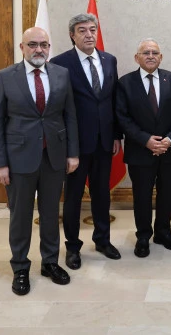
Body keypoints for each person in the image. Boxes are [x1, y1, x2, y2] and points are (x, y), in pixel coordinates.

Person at [0, 27, 79, 296]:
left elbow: (70, 116)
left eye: (44, 44)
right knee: (21, 215)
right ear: (22, 47)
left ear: (49, 47)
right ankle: (20, 267)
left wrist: (72, 153)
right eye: (33, 44)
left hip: (53, 157)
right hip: (18, 160)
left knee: (51, 214)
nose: (39, 49)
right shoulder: (4, 77)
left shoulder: (61, 74)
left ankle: (50, 262)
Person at [51, 13, 122, 270]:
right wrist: (66, 145)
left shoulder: (109, 60)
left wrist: (116, 135)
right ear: (72, 35)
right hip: (75, 145)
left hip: (104, 141)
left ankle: (102, 240)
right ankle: (72, 247)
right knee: (73, 197)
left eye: (92, 29)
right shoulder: (60, 63)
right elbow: (57, 108)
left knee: (102, 194)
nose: (89, 34)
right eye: (82, 30)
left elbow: (113, 100)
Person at [116, 38, 171, 258]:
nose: (150, 56)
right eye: (145, 53)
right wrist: (146, 140)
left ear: (161, 57)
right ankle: (143, 236)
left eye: (154, 52)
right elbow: (122, 117)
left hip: (169, 150)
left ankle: (163, 232)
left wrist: (169, 140)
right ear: (136, 58)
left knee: (167, 194)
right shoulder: (125, 83)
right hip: (140, 151)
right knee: (142, 196)